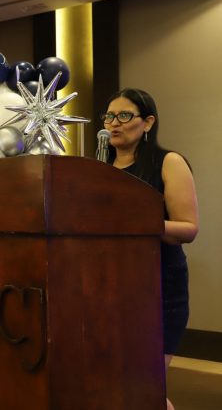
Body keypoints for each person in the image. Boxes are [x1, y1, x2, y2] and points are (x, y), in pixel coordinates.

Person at [103, 88, 199, 410]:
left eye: (124, 115)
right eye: (109, 116)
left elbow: (188, 228)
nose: (114, 123)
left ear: (147, 122)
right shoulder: (97, 169)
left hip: (158, 290)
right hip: (106, 290)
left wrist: (136, 224)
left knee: (145, 387)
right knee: (113, 385)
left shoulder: (168, 162)